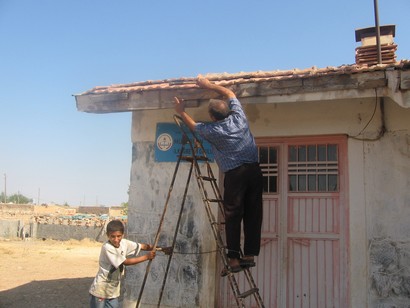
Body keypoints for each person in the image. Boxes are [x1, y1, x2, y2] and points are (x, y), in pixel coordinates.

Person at [173, 76, 263, 276]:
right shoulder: (239, 117)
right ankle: (248, 256)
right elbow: (230, 93)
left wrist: (181, 112)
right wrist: (209, 86)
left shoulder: (213, 130)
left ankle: (233, 259)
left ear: (213, 118)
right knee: (253, 214)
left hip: (236, 174)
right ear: (228, 111)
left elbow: (194, 126)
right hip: (255, 171)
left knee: (233, 216)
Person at [89, 219, 156, 308]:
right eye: (112, 236)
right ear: (107, 236)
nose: (116, 240)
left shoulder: (124, 243)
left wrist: (160, 248)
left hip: (113, 291)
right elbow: (125, 262)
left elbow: (143, 246)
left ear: (123, 235)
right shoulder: (107, 247)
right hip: (101, 290)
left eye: (119, 236)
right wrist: (146, 257)